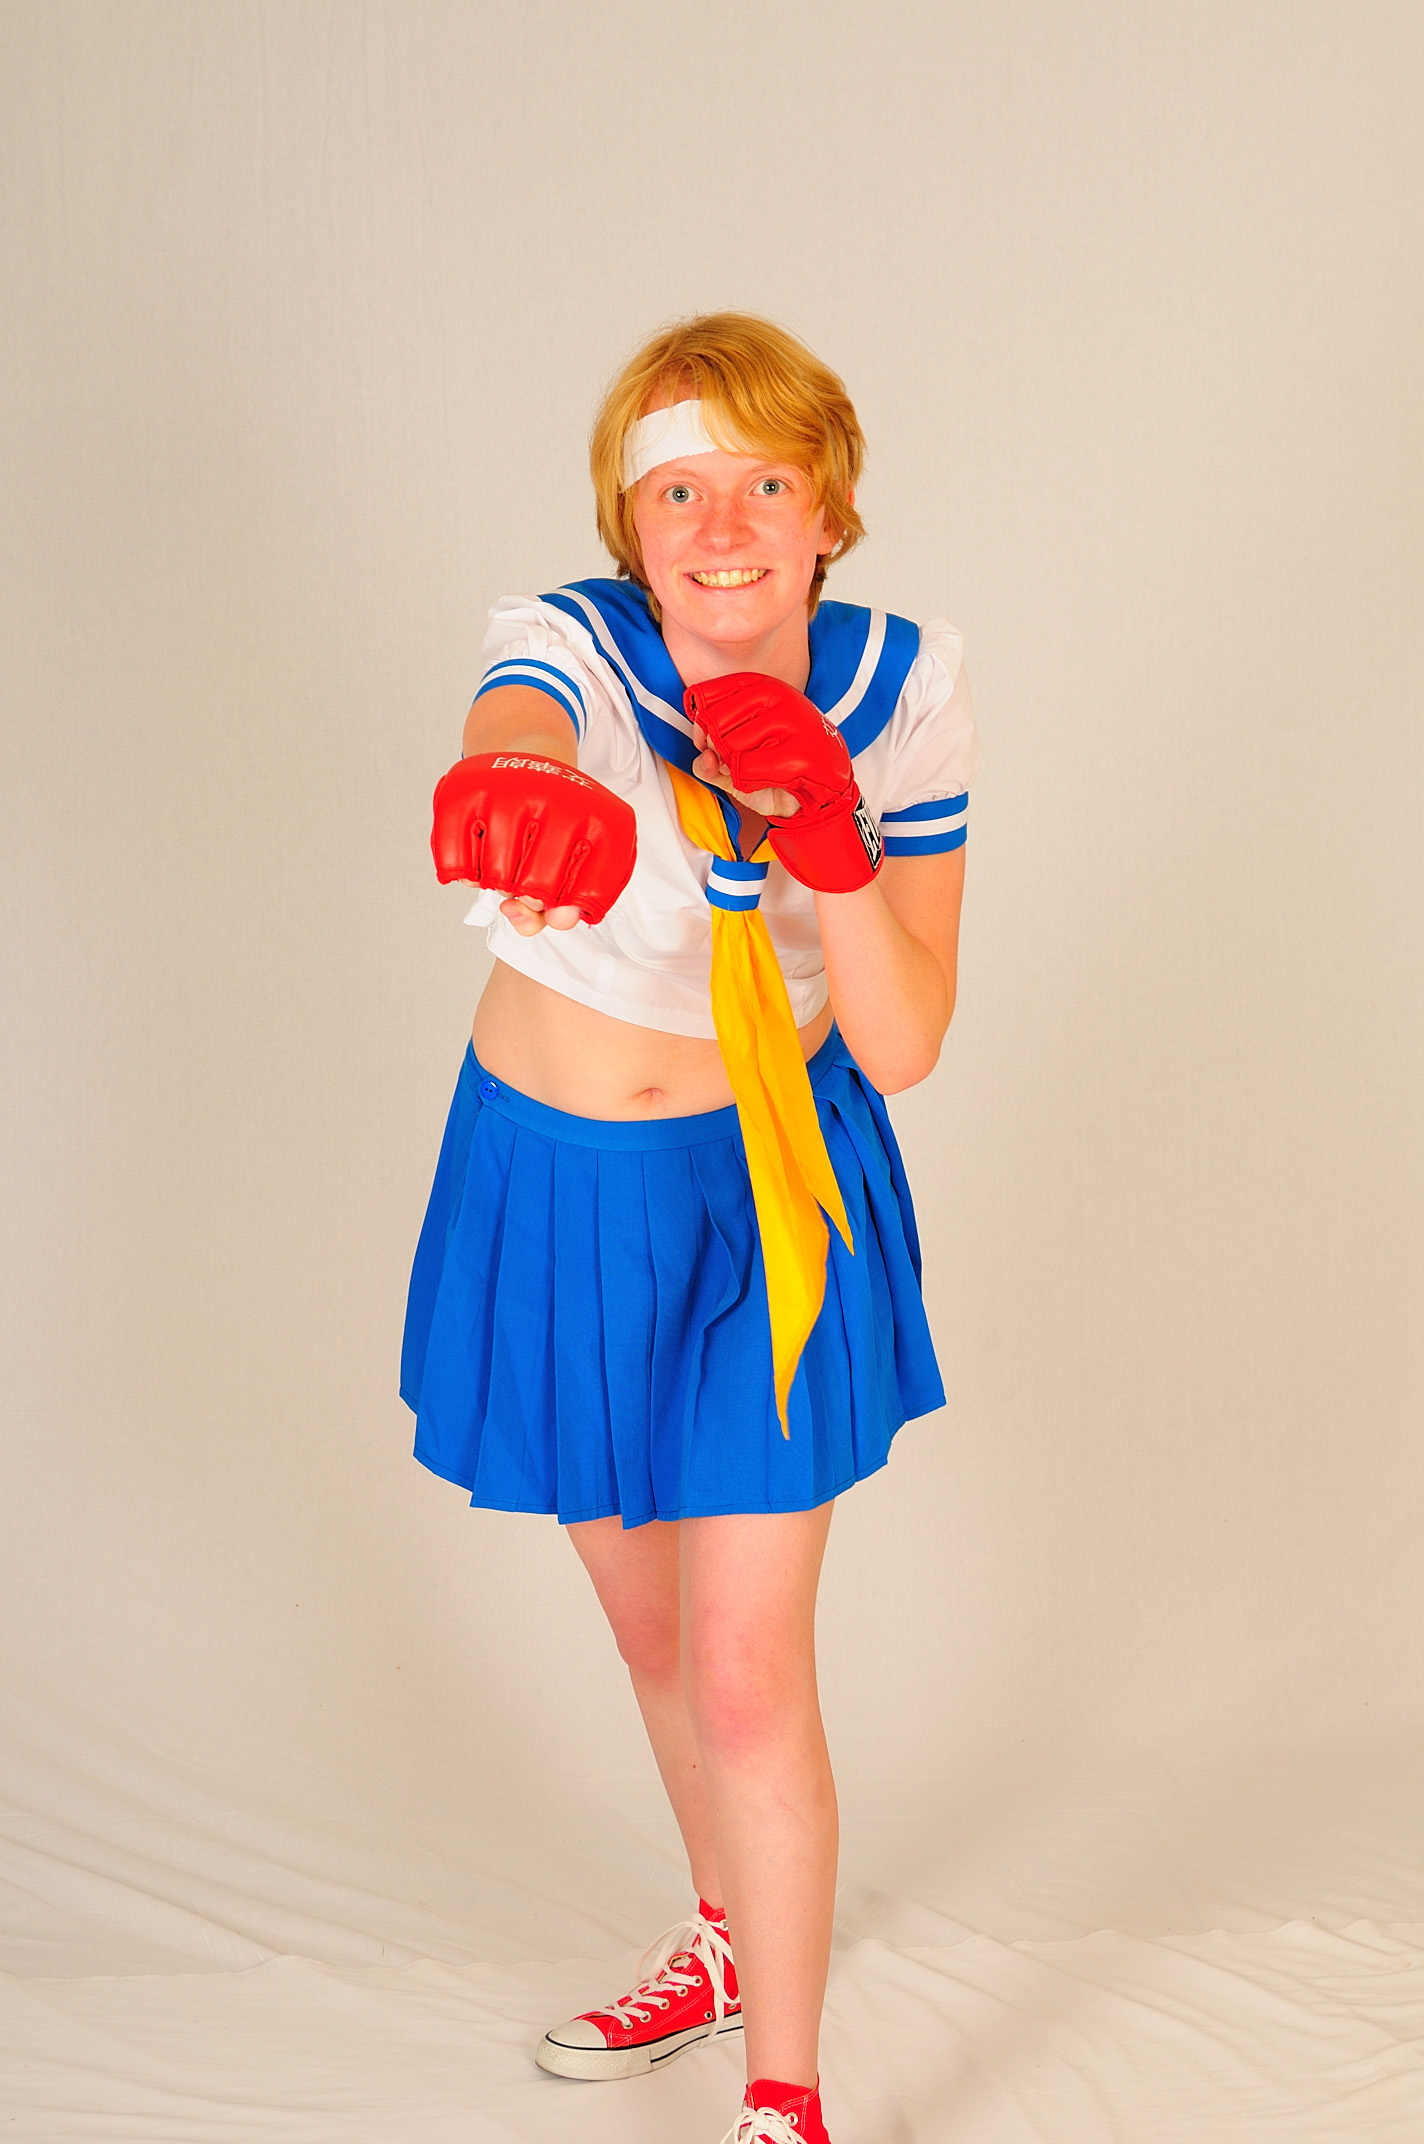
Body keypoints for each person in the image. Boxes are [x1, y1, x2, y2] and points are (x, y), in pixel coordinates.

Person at [401, 313, 978, 2144]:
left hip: (769, 1195)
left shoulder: (906, 691)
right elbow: (521, 710)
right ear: (628, 528)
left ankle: (783, 2104)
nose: (720, 526)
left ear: (830, 512)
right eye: (676, 492)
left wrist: (837, 841)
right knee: (656, 1642)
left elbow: (904, 1040)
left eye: (765, 483)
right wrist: (519, 779)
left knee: (745, 1664)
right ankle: (725, 1933)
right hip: (558, 1196)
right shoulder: (581, 640)